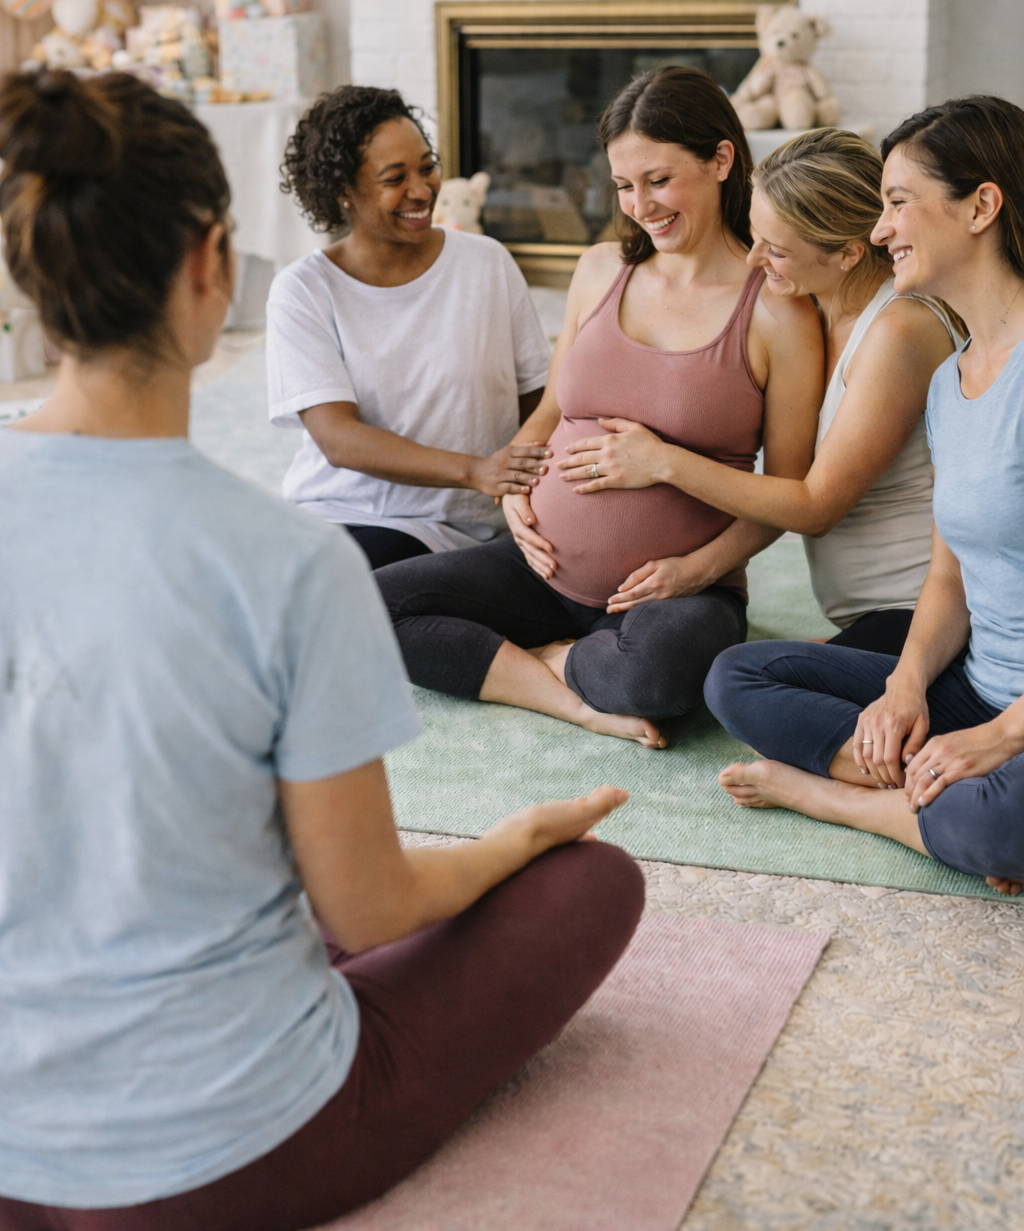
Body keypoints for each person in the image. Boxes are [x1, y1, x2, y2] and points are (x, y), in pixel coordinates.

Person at [0, 70, 644, 1229]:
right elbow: (371, 910)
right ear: (211, 266)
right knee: (589, 882)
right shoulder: (288, 565)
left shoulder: (473, 283)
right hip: (221, 1151)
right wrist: (511, 839)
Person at [376, 67, 823, 748]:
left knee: (656, 682)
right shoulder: (600, 268)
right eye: (623, 185)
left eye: (659, 179)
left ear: (722, 160)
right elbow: (553, 410)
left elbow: (787, 492)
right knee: (370, 604)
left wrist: (691, 554)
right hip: (542, 565)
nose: (640, 205)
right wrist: (514, 493)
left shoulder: (777, 309)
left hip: (677, 593)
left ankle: (545, 658)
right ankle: (560, 683)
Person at [704, 95, 1024, 897]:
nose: (879, 232)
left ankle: (841, 800)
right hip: (974, 682)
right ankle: (939, 804)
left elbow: (816, 498)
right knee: (735, 678)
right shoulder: (952, 380)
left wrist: (1000, 736)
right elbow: (948, 580)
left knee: (995, 821)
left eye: (896, 204)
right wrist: (905, 686)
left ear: (983, 205)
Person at [558, 128, 961, 657]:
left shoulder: (898, 332)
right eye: (755, 238)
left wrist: (661, 462)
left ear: (846, 253)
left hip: (918, 610)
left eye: (775, 250)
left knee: (741, 684)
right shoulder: (814, 310)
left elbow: (816, 506)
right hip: (862, 612)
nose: (753, 261)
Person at [266, 86, 552, 570]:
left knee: (356, 595)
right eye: (394, 178)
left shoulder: (487, 264)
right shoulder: (303, 290)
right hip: (336, 512)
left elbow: (542, 400)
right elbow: (338, 438)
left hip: (454, 527)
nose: (421, 190)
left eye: (426, 166)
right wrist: (475, 471)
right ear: (343, 191)